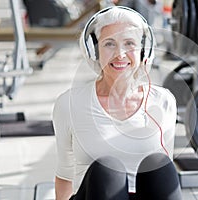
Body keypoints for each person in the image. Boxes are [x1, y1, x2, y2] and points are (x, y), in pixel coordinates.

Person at [52, 6, 182, 200]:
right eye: (109, 44)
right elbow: (64, 175)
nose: (120, 54)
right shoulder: (69, 103)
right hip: (94, 194)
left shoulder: (163, 101)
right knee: (107, 170)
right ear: (94, 50)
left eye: (129, 43)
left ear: (144, 51)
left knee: (159, 165)